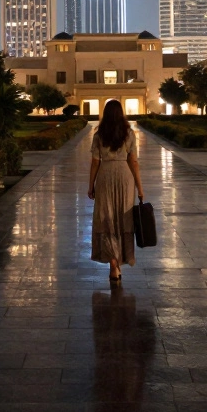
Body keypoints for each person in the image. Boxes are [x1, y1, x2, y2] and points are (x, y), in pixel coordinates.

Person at [87, 99, 144, 282]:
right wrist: (139, 187)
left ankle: (113, 265)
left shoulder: (99, 134)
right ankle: (120, 259)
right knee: (123, 217)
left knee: (106, 218)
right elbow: (133, 161)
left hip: (105, 176)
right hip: (125, 177)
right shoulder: (128, 133)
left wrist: (91, 185)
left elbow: (95, 161)